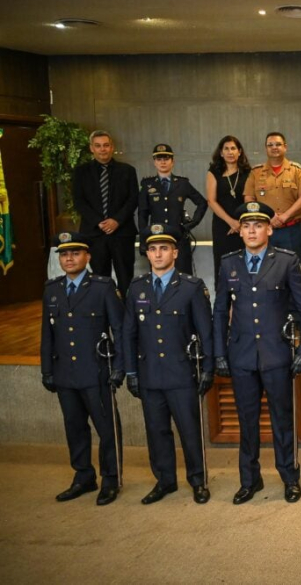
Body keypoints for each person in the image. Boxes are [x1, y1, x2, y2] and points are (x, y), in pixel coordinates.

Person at [213, 201, 301, 505]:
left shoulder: (285, 261)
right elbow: (220, 311)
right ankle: (250, 480)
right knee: (247, 421)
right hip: (241, 355)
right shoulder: (229, 263)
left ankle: (289, 477)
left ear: (269, 229)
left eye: (258, 225)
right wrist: (219, 352)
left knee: (282, 420)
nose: (252, 230)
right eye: (246, 226)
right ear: (240, 231)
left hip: (276, 354)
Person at [122, 223, 215, 505]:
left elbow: (206, 331)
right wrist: (130, 372)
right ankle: (165, 481)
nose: (158, 254)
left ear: (175, 252)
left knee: (189, 430)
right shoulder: (137, 288)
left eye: (164, 248)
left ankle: (198, 480)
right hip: (150, 374)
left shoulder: (190, 287)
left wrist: (208, 367)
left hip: (181, 372)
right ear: (147, 254)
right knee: (157, 430)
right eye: (153, 249)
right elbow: (128, 333)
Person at [40, 232, 124, 505]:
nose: (69, 258)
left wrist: (120, 367)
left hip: (96, 370)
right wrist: (47, 370)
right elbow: (47, 335)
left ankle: (111, 478)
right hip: (65, 373)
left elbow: (119, 329)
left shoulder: (101, 287)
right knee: (74, 427)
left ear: (87, 257)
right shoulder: (52, 290)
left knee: (107, 428)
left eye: (75, 253)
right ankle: (83, 476)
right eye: (64, 254)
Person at [72, 130, 139, 297]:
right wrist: (99, 222)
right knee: (100, 280)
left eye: (106, 145)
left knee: (126, 278)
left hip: (122, 233)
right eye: (98, 146)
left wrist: (116, 220)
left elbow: (133, 199)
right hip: (94, 234)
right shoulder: (81, 172)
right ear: (91, 149)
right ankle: (104, 317)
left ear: (112, 147)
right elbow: (79, 202)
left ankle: (127, 318)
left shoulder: (128, 170)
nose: (102, 149)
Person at [138, 144, 208, 274]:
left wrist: (191, 224)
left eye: (166, 158)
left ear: (172, 161)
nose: (163, 162)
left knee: (183, 276)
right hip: (156, 238)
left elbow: (202, 203)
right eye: (159, 159)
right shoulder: (147, 185)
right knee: (158, 276)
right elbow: (142, 214)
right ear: (154, 162)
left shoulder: (182, 183)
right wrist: (143, 241)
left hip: (179, 238)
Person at [243, 132, 301, 263]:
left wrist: (285, 216)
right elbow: (249, 199)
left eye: (278, 144)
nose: (274, 147)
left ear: (285, 147)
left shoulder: (296, 170)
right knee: (265, 270)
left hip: (291, 230)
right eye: (270, 145)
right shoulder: (256, 172)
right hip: (264, 229)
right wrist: (270, 216)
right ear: (266, 148)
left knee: (292, 271)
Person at [206, 135, 252, 290]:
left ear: (239, 152)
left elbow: (250, 200)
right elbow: (211, 201)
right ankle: (222, 308)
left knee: (244, 265)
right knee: (223, 266)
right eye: (226, 148)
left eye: (233, 148)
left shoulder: (248, 172)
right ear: (221, 152)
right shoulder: (214, 172)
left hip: (244, 226)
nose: (230, 152)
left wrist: (241, 222)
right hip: (222, 227)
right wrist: (231, 222)